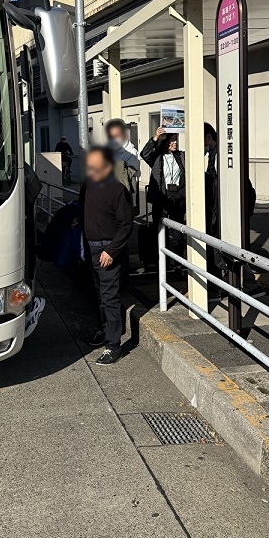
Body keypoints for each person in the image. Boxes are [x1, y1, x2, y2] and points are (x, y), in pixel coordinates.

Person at [80, 146, 133, 365]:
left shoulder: (117, 190)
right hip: (91, 248)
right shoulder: (88, 186)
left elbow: (126, 224)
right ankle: (103, 331)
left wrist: (111, 250)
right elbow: (82, 208)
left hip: (108, 250)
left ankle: (114, 346)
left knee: (110, 298)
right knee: (99, 295)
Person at [203, 123, 264, 301]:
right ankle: (251, 286)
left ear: (208, 138)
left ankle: (219, 290)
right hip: (223, 212)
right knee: (229, 250)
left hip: (222, 213)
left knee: (221, 250)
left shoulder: (220, 157)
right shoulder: (217, 155)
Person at [140, 126, 186, 231]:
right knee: (160, 228)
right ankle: (161, 246)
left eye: (176, 140)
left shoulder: (181, 156)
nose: (175, 142)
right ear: (165, 142)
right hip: (161, 196)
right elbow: (144, 154)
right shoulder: (157, 157)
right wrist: (155, 137)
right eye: (172, 140)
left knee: (177, 229)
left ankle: (177, 246)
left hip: (178, 197)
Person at [105, 118, 141, 189]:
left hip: (124, 192)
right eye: (112, 136)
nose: (114, 139)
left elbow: (128, 176)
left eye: (117, 135)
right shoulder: (107, 151)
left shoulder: (132, 153)